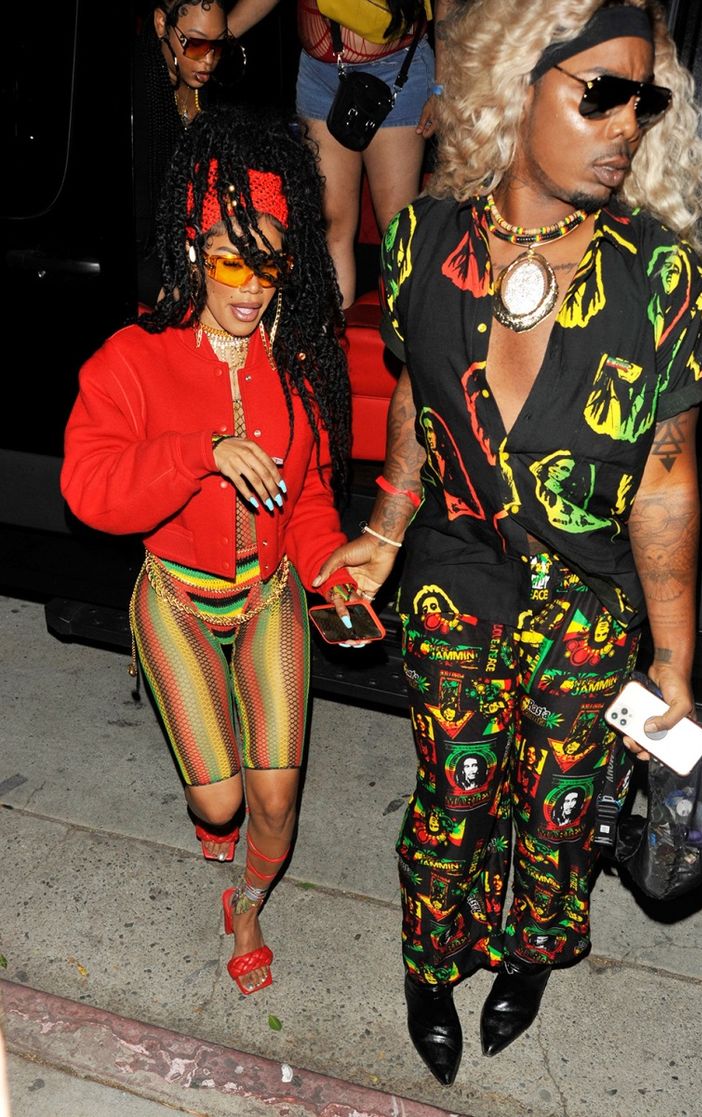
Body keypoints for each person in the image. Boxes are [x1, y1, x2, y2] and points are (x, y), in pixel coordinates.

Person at [314, 0, 702, 1085]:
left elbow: (667, 481)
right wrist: (383, 529)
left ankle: (530, 958)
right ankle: (428, 967)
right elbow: (417, 400)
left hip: (590, 604)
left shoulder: (662, 283)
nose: (625, 123)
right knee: (453, 794)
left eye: (643, 99)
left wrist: (675, 664)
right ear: (516, 82)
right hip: (457, 577)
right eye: (599, 90)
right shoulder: (421, 242)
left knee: (556, 809)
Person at [61, 103, 359, 997]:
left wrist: (334, 571)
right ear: (193, 250)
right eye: (230, 257)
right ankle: (211, 804)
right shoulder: (132, 358)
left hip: (267, 596)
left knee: (274, 801)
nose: (250, 283)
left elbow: (305, 497)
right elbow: (89, 489)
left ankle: (246, 904)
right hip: (180, 597)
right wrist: (198, 451)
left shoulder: (297, 360)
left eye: (268, 260)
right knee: (219, 800)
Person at [228, 0, 451, 306]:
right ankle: (334, 343)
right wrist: (218, 37)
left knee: (395, 229)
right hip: (319, 75)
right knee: (333, 223)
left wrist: (442, 85)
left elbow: (446, 4)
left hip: (395, 71)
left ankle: (400, 343)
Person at [133, 0, 244, 306]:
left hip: (201, 247)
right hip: (144, 257)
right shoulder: (140, 96)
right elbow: (141, 227)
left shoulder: (207, 89)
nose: (208, 59)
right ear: (160, 25)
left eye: (218, 46)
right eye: (195, 44)